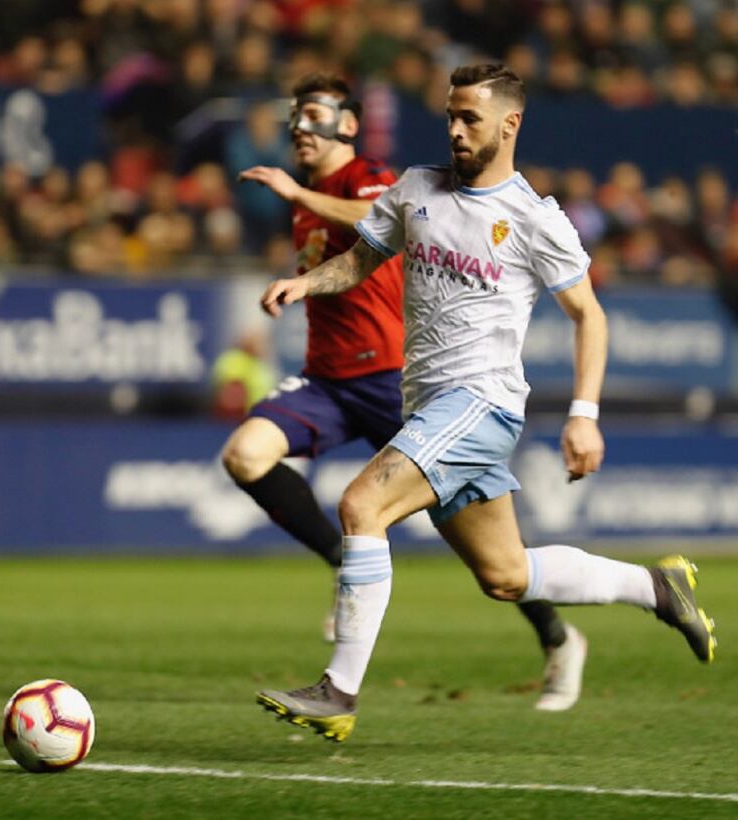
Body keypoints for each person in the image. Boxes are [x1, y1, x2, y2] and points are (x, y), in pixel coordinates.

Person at [254, 64, 717, 743]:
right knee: (507, 575)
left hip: (482, 404)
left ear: (510, 124)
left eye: (469, 117)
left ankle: (339, 689)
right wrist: (307, 285)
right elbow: (358, 263)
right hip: (430, 407)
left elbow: (589, 315)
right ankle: (658, 589)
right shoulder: (416, 189)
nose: (455, 130)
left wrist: (584, 415)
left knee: (361, 505)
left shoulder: (535, 219)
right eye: (449, 115)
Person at [222, 72, 587, 712]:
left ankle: (554, 633)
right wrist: (298, 277)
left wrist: (296, 189)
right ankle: (344, 564)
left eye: (313, 115)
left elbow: (373, 216)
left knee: (487, 550)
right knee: (246, 453)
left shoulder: (369, 178)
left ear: (348, 125)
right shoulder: (308, 198)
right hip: (330, 378)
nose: (299, 129)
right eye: (294, 118)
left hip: (397, 380)